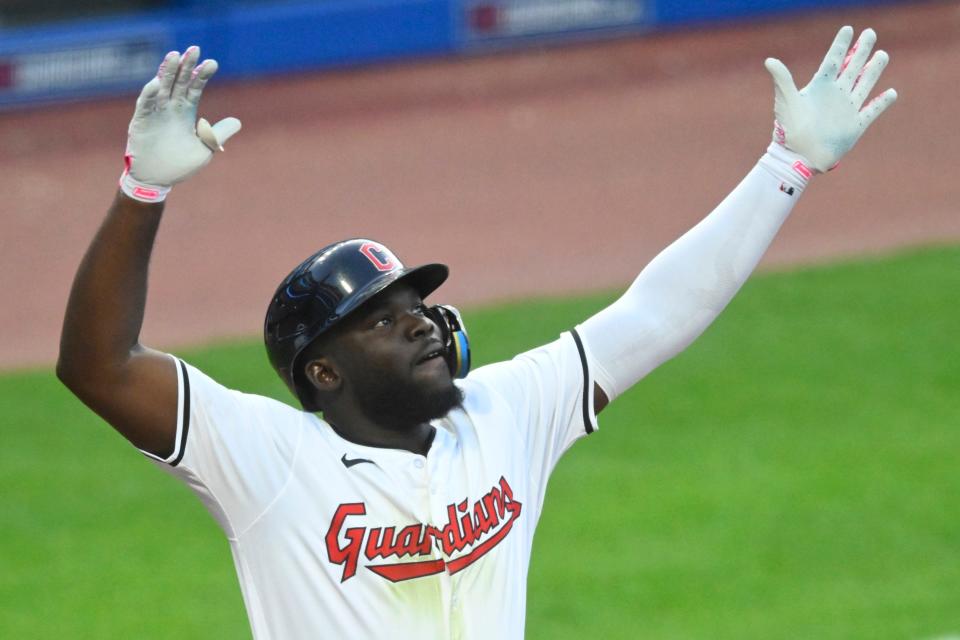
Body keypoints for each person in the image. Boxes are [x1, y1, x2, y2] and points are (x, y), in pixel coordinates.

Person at [58, 28, 896, 639]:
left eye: (417, 305)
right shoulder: (269, 463)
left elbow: (657, 314)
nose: (421, 324)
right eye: (383, 321)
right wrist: (141, 192)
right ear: (323, 373)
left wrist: (785, 169)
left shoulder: (504, 415)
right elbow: (97, 367)